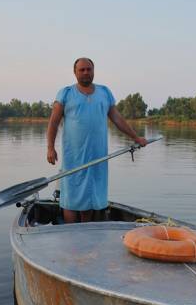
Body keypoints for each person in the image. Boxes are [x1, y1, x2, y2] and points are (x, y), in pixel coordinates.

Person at [46, 57, 147, 224]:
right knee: (71, 198)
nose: (86, 72)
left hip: (98, 157)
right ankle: (69, 233)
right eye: (82, 70)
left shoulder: (104, 92)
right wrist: (50, 147)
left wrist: (136, 137)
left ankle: (86, 232)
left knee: (91, 197)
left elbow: (117, 119)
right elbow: (53, 122)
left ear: (93, 71)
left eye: (89, 69)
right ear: (75, 72)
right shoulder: (66, 93)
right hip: (74, 158)